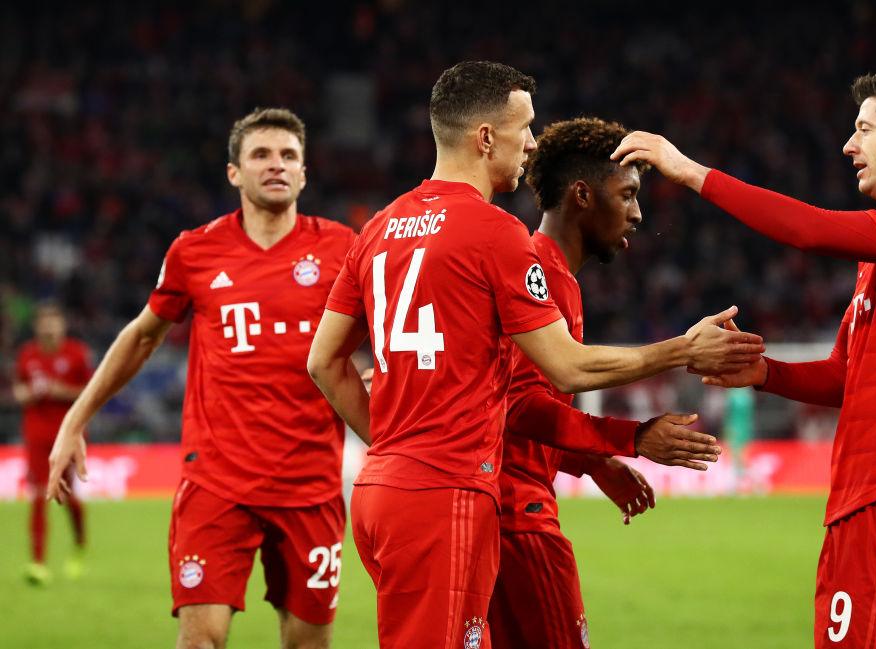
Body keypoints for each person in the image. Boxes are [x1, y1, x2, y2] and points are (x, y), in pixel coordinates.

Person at [306, 60, 763, 649]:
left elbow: (323, 361)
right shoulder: (497, 234)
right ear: (485, 137)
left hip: (384, 490)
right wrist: (681, 351)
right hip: (453, 495)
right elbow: (564, 368)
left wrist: (393, 445)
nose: (531, 142)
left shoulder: (378, 228)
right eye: (524, 127)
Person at [613, 73, 876, 648]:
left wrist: (688, 170)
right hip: (861, 495)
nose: (849, 145)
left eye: (865, 129)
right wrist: (765, 373)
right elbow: (844, 375)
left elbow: (810, 230)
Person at [47, 108, 359, 649]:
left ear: (304, 173)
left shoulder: (344, 249)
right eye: (260, 155)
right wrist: (75, 420)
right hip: (217, 484)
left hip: (311, 486)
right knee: (199, 642)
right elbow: (141, 337)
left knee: (307, 645)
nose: (276, 165)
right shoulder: (194, 251)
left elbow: (393, 329)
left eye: (288, 155)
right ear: (234, 172)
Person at [487, 117, 724, 649]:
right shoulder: (540, 276)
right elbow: (519, 407)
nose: (638, 214)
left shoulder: (547, 271)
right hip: (517, 514)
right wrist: (630, 438)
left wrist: (594, 462)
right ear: (582, 195)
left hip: (500, 509)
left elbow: (513, 401)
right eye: (627, 194)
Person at [13, 302, 92, 586]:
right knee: (38, 493)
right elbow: (18, 388)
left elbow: (91, 391)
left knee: (68, 496)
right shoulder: (27, 354)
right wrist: (26, 394)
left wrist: (61, 391)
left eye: (53, 321)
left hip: (68, 433)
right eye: (44, 322)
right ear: (37, 326)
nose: (48, 327)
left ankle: (80, 543)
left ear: (62, 325)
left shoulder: (76, 353)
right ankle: (38, 563)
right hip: (36, 433)